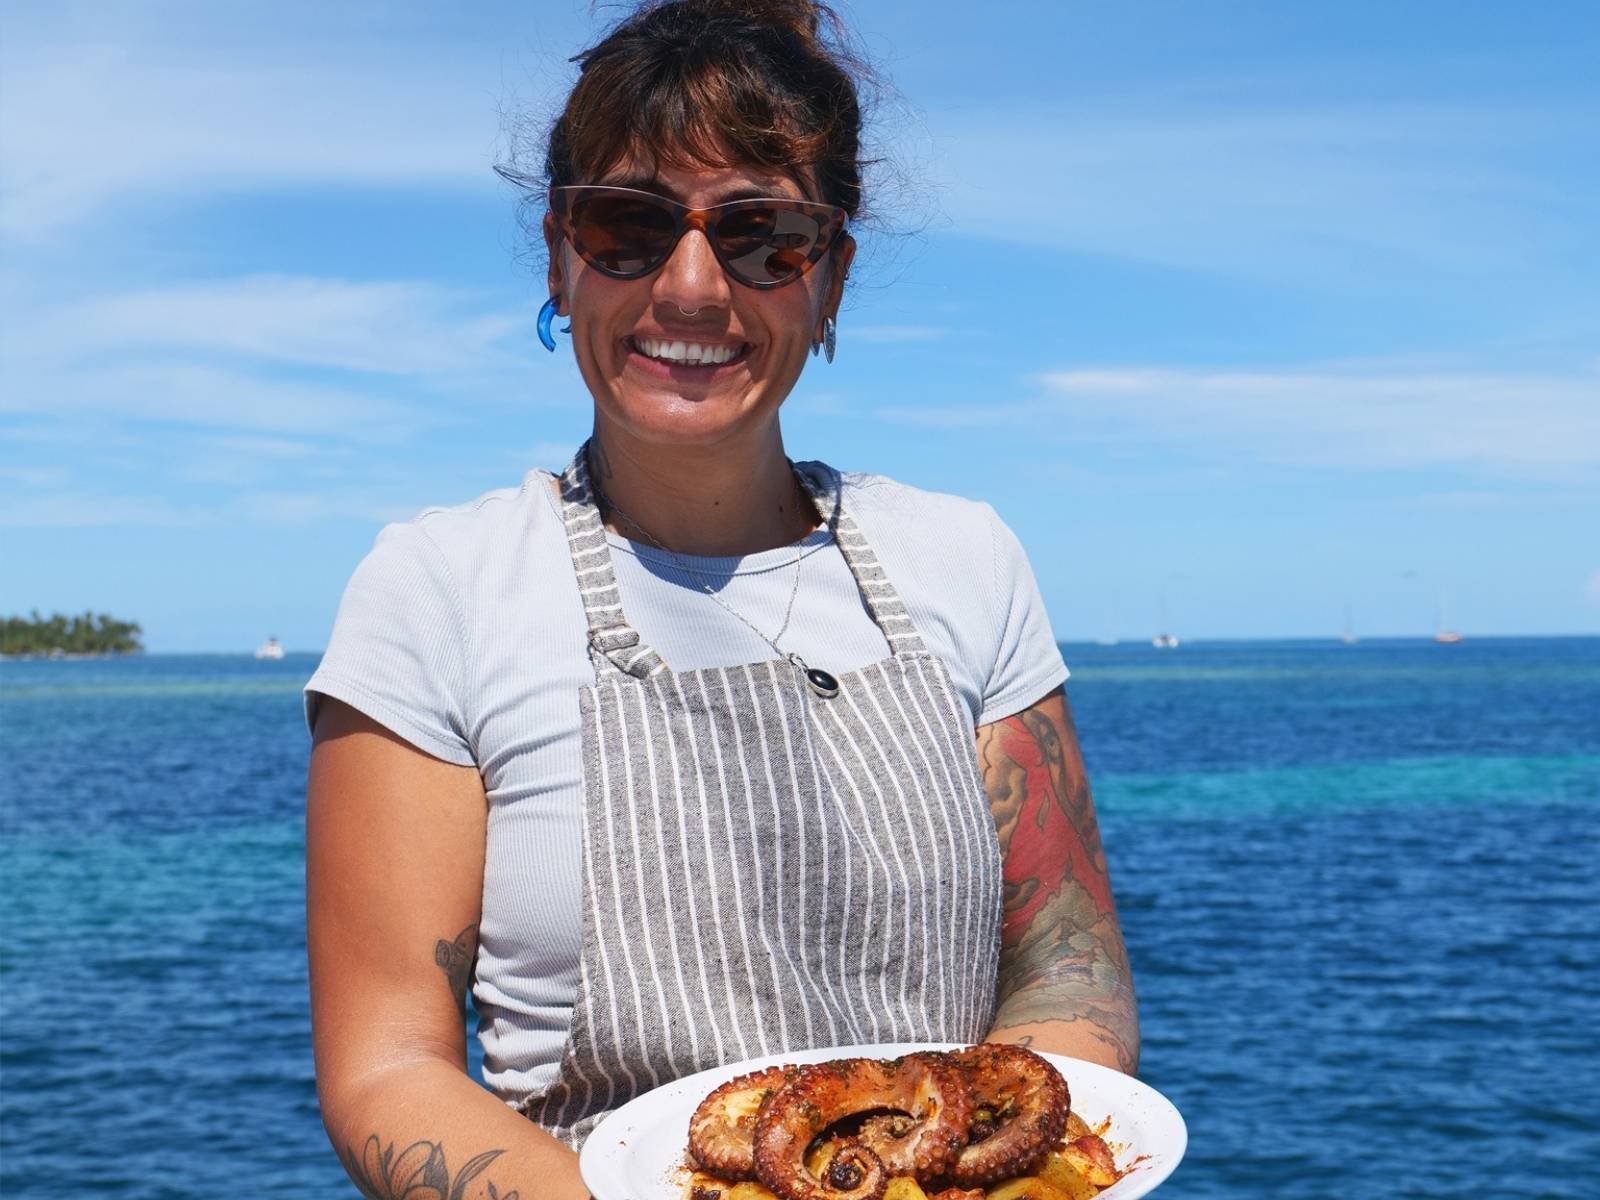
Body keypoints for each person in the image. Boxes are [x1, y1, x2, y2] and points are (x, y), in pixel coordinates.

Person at [304, 2, 1137, 1196]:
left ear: (830, 273)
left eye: (764, 237)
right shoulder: (438, 591)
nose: (692, 288)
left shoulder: (965, 557)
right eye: (627, 225)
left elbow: (1069, 976)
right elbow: (387, 1069)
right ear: (558, 254)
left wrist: (975, 1167)